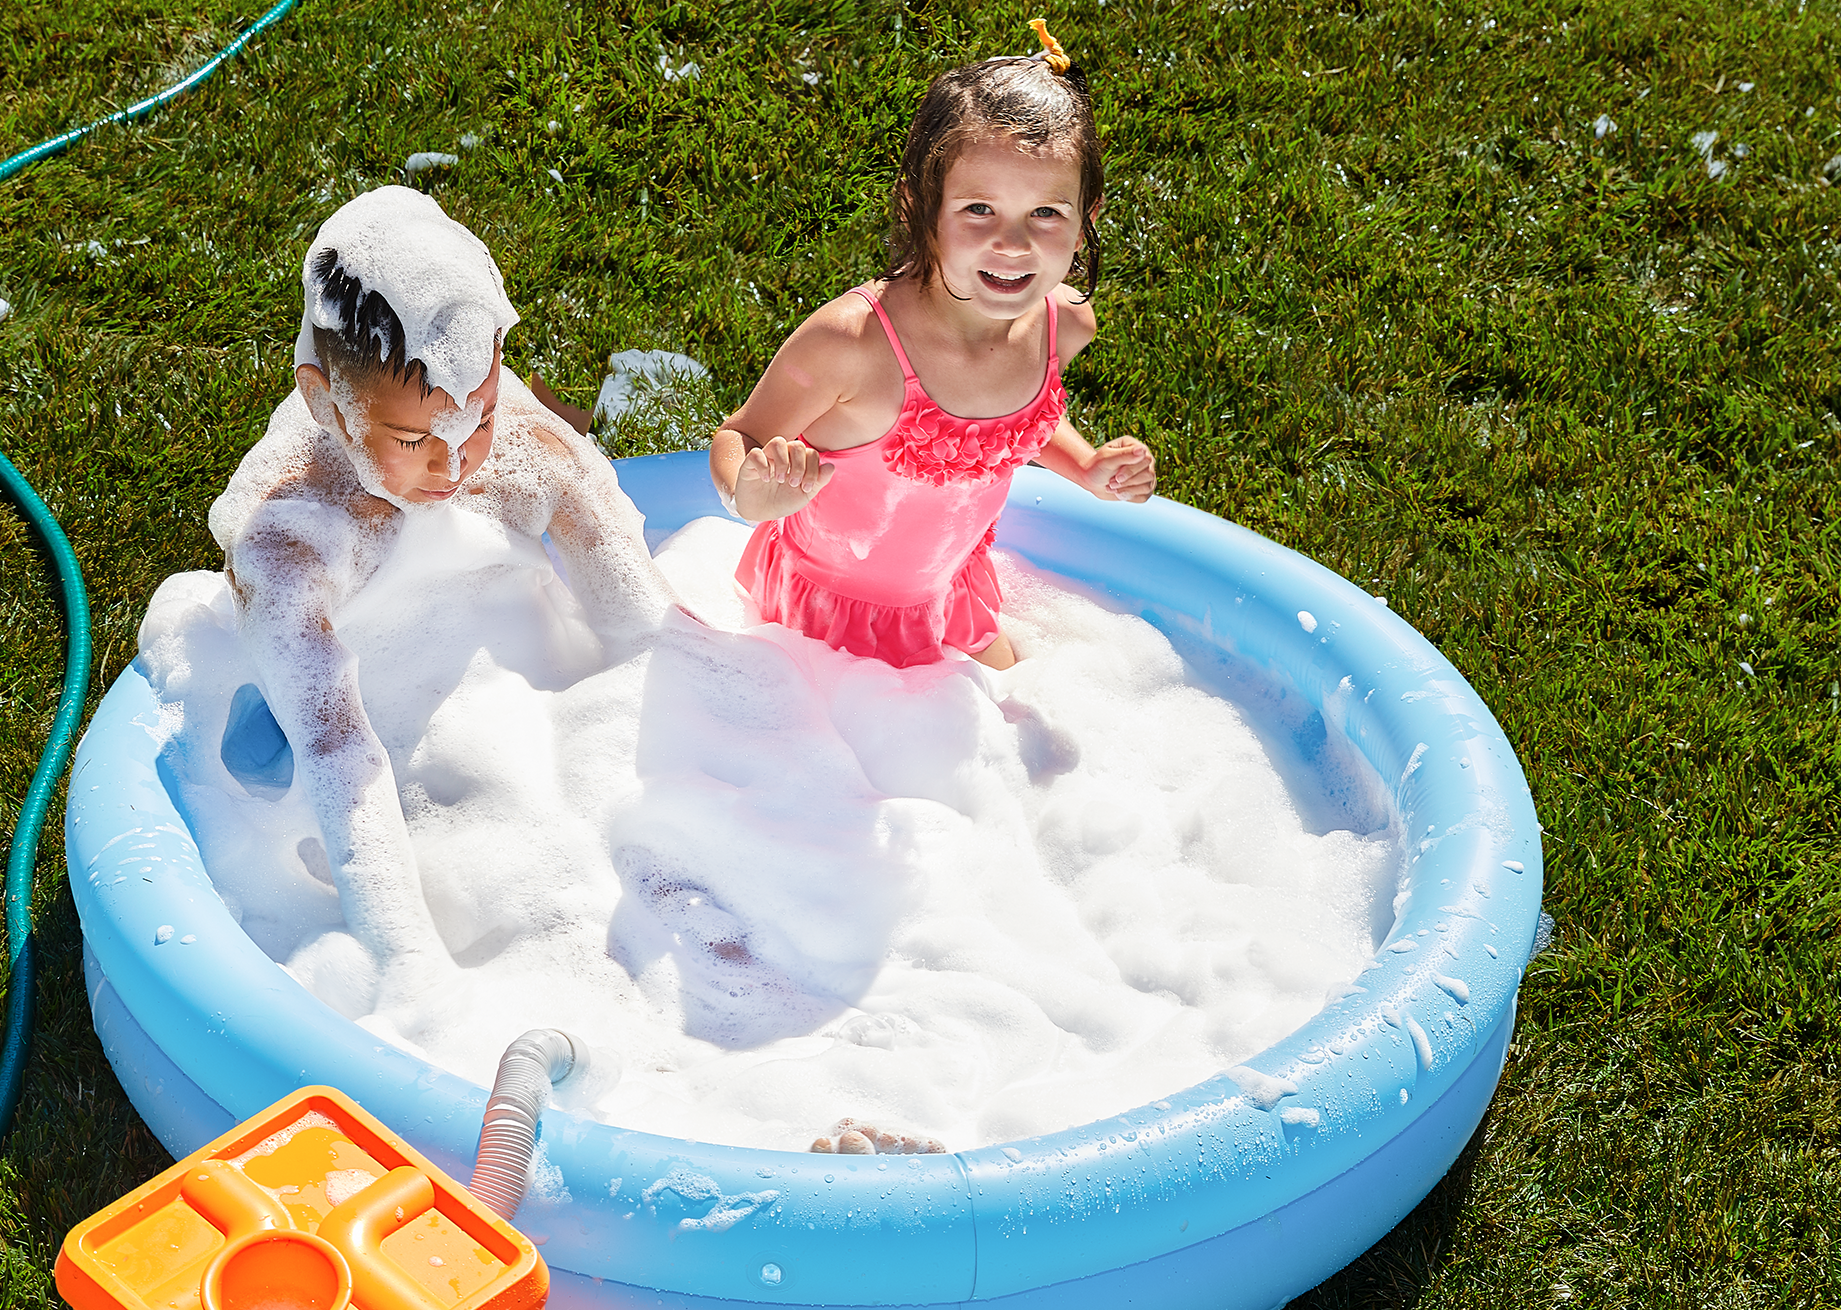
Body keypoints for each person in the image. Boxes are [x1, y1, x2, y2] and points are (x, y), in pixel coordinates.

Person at [208, 187, 672, 986]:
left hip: (527, 727)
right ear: (325, 401)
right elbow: (339, 763)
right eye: (414, 438)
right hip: (388, 770)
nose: (456, 464)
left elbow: (650, 633)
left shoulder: (532, 456)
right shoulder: (294, 542)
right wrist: (410, 972)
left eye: (481, 416)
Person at [709, 20, 1157, 670]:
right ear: (921, 205)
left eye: (1046, 213)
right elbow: (740, 435)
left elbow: (1016, 419)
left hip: (951, 593)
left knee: (1010, 723)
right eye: (979, 209)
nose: (1013, 242)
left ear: (1086, 220)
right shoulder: (855, 345)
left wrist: (1085, 466)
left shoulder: (1064, 326)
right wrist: (750, 497)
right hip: (822, 618)